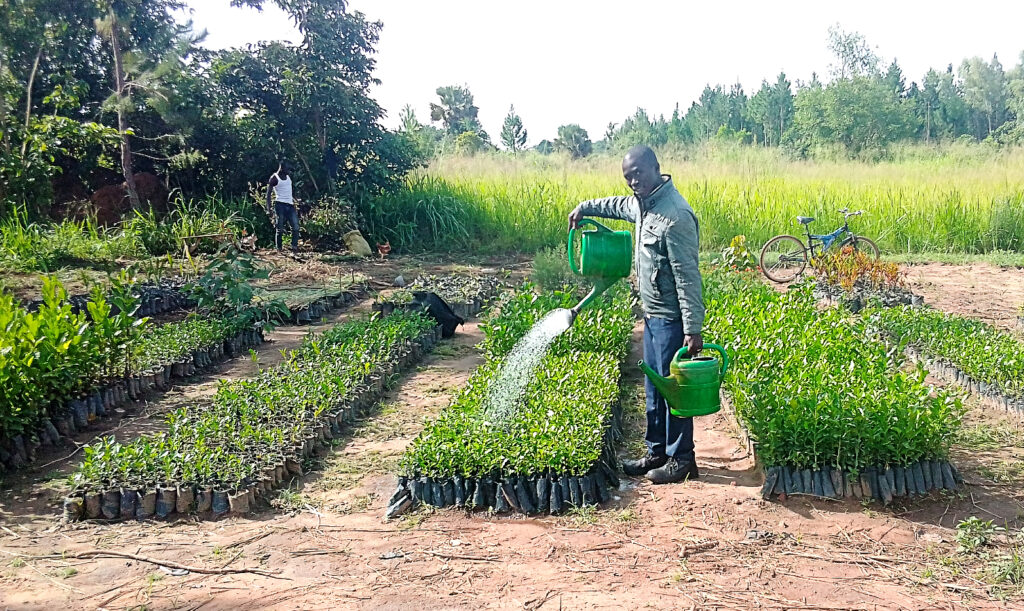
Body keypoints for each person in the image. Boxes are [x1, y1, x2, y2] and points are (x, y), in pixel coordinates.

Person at [568, 145, 705, 484]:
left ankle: (682, 459)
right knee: (653, 387)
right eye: (628, 176)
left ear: (657, 168)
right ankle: (657, 451)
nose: (633, 181)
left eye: (638, 174)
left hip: (672, 319)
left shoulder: (675, 215)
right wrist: (585, 208)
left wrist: (693, 328)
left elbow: (688, 277)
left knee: (674, 389)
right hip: (652, 315)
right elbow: (615, 205)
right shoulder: (643, 205)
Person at [266, 161, 300, 252]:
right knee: (279, 228)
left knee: (296, 227)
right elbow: (268, 194)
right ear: (282, 169)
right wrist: (269, 209)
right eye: (288, 169)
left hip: (290, 204)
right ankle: (279, 248)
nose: (289, 171)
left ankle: (294, 246)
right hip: (280, 204)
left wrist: (295, 200)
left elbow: (290, 190)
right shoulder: (274, 178)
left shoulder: (288, 177)